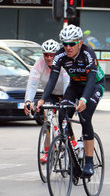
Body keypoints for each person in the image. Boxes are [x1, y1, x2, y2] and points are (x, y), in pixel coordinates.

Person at [36, 24, 104, 177]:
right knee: (62, 117)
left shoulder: (88, 53)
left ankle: (88, 161)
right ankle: (73, 150)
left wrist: (84, 99)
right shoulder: (60, 56)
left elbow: (92, 79)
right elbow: (53, 78)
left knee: (85, 117)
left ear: (79, 43)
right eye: (65, 44)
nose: (68, 47)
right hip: (75, 86)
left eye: (71, 43)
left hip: (94, 86)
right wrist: (42, 99)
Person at [24, 39, 70, 164]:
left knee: (65, 118)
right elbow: (32, 83)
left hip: (67, 92)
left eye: (52, 55)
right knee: (47, 119)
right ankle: (46, 151)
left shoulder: (64, 62)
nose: (49, 58)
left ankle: (72, 144)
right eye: (46, 55)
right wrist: (28, 100)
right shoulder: (39, 63)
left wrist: (66, 101)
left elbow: (67, 82)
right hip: (51, 93)